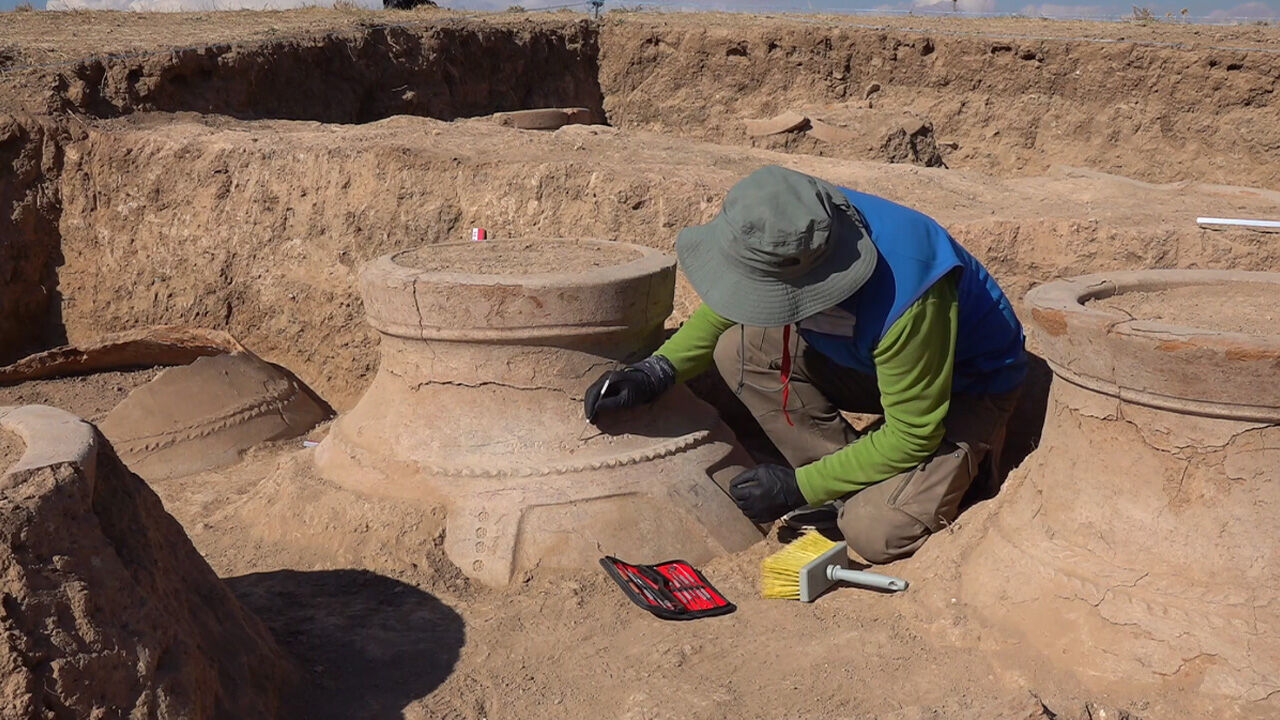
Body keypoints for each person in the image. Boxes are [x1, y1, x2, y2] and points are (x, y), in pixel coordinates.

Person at [582, 165, 1027, 564]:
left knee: (875, 532)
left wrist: (800, 487)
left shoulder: (909, 291)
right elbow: (741, 292)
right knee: (739, 351)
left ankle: (937, 474)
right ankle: (847, 481)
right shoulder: (799, 220)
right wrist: (657, 370)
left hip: (964, 388)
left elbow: (913, 433)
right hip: (874, 363)